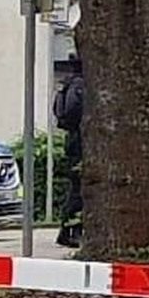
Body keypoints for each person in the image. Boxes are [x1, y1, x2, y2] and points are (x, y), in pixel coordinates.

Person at [50, 55, 87, 240]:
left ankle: (66, 231)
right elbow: (74, 111)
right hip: (81, 140)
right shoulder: (80, 84)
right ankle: (72, 231)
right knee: (79, 189)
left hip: (72, 139)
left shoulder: (67, 83)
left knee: (75, 187)